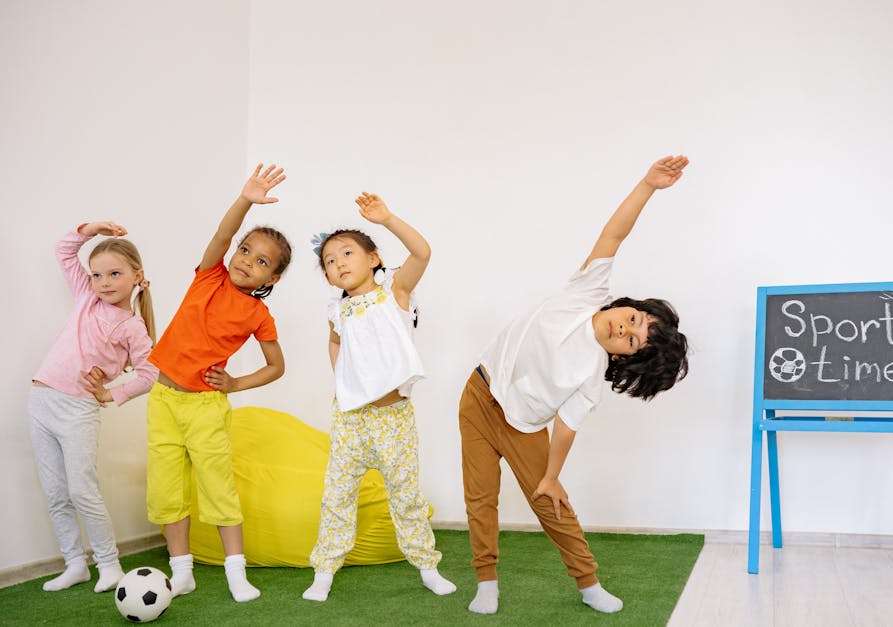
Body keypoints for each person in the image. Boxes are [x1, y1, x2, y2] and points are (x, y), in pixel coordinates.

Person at [459, 155, 691, 615]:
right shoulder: (586, 292)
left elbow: (566, 429)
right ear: (627, 305)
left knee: (550, 504)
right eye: (631, 321)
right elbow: (614, 234)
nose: (621, 331)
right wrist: (648, 184)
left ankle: (587, 582)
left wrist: (551, 477)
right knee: (480, 496)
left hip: (522, 426)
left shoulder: (589, 377)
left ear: (626, 359)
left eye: (631, 342)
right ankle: (486, 581)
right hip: (478, 394)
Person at [145, 163, 292, 603]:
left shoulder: (258, 315)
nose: (247, 260)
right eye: (246, 250)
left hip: (205, 407)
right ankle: (182, 570)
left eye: (261, 261)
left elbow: (276, 366)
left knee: (217, 487)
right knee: (166, 488)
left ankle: (235, 573)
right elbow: (222, 237)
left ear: (273, 279)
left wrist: (234, 384)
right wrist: (246, 198)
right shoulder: (209, 275)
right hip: (163, 400)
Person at [303, 193, 456, 602]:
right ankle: (324, 570)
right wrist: (342, 382)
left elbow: (422, 253)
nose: (338, 264)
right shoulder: (337, 311)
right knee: (337, 496)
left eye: (347, 253)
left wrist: (386, 218)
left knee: (405, 495)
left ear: (373, 259)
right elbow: (334, 344)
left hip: (393, 418)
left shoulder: (395, 294)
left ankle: (427, 566)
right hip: (351, 419)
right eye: (330, 262)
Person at [30, 221, 157, 593]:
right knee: (55, 493)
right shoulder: (86, 298)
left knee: (81, 490)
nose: (103, 282)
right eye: (97, 274)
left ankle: (108, 564)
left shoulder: (132, 326)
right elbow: (64, 250)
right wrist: (90, 229)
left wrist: (112, 394)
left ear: (137, 276)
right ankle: (74, 564)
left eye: (114, 274)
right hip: (40, 399)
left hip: (77, 409)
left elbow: (151, 373)